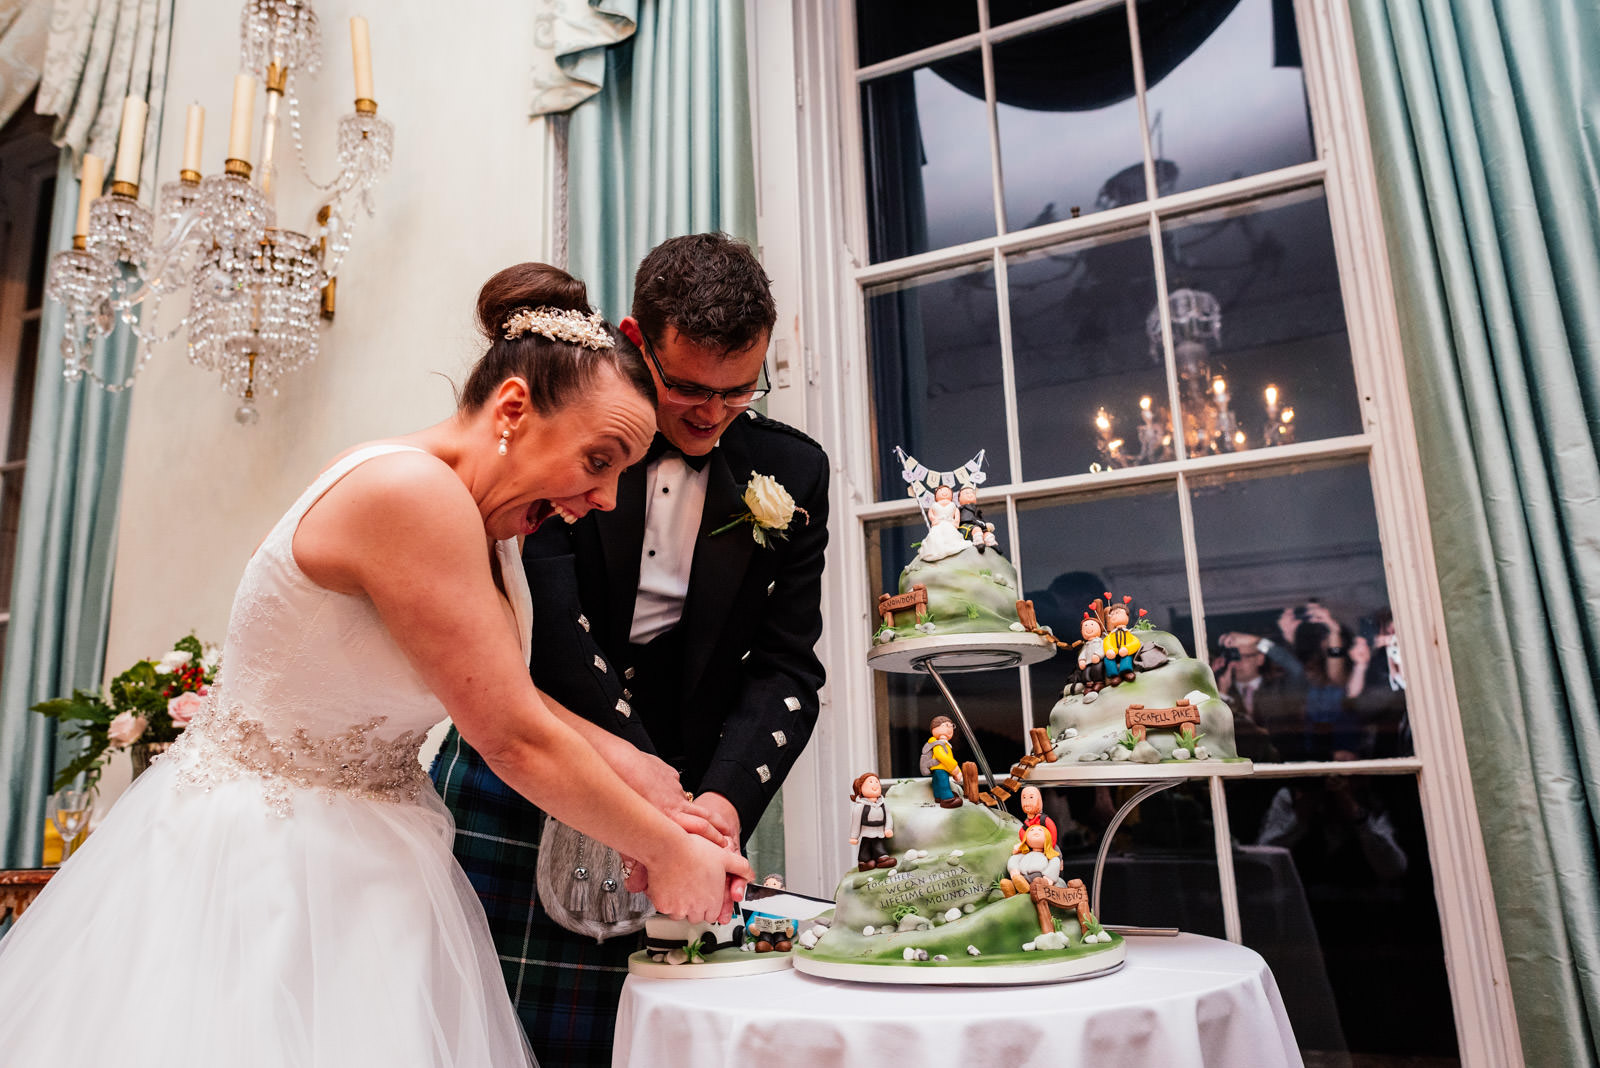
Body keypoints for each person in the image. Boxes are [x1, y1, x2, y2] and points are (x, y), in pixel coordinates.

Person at [0, 263, 750, 1066]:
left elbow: (507, 693)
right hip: (263, 872)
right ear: (513, 409)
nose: (603, 499)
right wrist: (669, 855)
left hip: (372, 865)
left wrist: (637, 772)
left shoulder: (485, 524)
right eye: (600, 460)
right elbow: (509, 737)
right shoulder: (408, 494)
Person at [432, 233, 830, 1066]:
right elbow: (548, 620)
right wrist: (653, 805)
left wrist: (713, 808)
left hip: (690, 802)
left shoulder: (792, 470)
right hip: (528, 767)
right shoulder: (570, 434)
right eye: (687, 388)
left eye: (738, 390)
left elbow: (788, 665)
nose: (711, 414)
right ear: (635, 339)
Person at [848, 771, 897, 871]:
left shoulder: (883, 804)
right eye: (870, 782)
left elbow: (888, 817)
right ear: (861, 788)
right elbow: (856, 823)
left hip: (879, 833)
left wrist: (888, 828)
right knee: (865, 850)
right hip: (866, 833)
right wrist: (854, 836)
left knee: (879, 847)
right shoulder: (859, 806)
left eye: (876, 782)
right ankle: (864, 864)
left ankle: (882, 860)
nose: (874, 785)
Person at [921, 715, 964, 808]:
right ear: (934, 728)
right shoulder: (938, 744)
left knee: (937, 782)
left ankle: (939, 797)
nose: (949, 729)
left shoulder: (941, 743)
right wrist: (955, 768)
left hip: (938, 768)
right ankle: (947, 799)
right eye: (946, 725)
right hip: (941, 767)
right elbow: (942, 757)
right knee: (944, 783)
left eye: (951, 726)